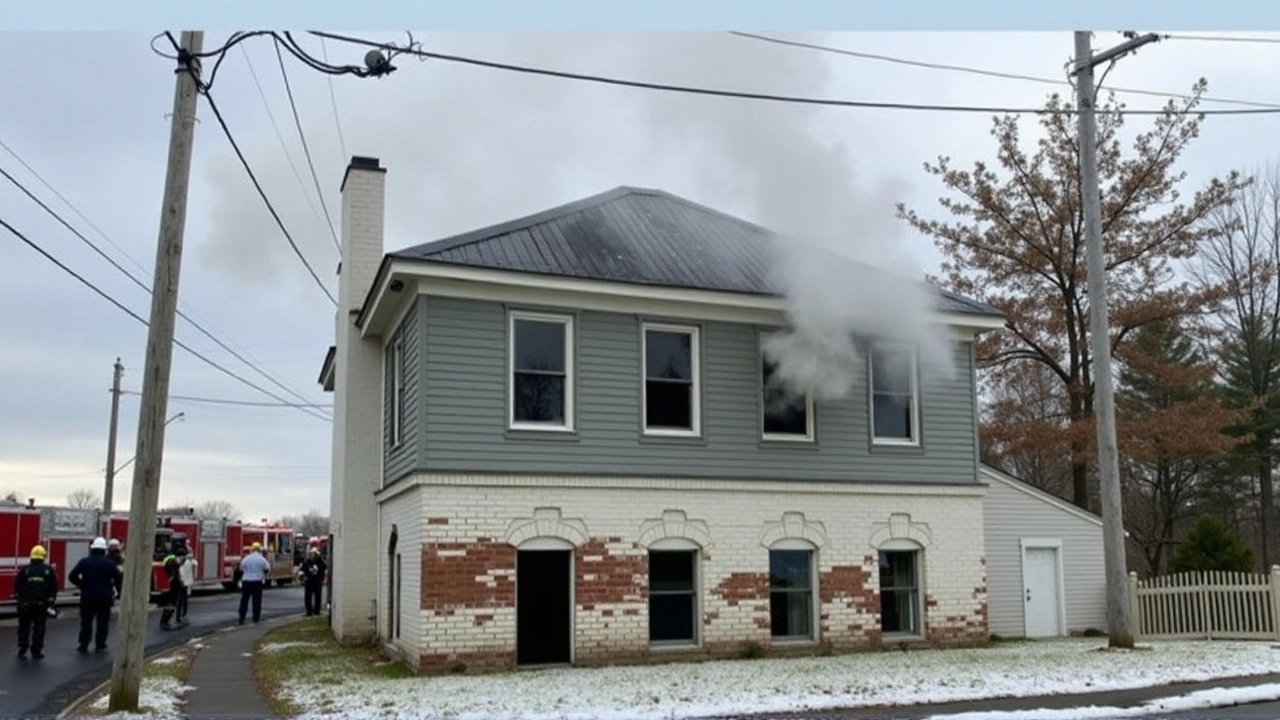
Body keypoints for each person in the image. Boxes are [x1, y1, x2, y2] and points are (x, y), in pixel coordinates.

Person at [68, 536, 123, 653]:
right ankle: (100, 644)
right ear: (104, 550)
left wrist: (82, 585)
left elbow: (72, 576)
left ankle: (83, 644)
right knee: (103, 622)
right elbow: (118, 578)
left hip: (88, 596)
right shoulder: (109, 564)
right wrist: (118, 592)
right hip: (105, 597)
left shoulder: (84, 562)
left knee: (86, 621)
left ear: (92, 549)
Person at [14, 545, 58, 660]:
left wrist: (19, 599)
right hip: (41, 605)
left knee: (24, 627)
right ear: (43, 557)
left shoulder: (25, 570)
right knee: (39, 627)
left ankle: (22, 649)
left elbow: (17, 586)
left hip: (25, 605)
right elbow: (53, 588)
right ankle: (36, 651)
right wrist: (51, 602)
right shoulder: (48, 570)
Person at [237, 541, 271, 625]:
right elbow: (267, 569)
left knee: (244, 600)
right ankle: (256, 618)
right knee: (256, 600)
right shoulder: (262, 559)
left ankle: (242, 617)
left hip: (246, 581)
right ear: (260, 550)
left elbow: (241, 568)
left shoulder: (246, 558)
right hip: (257, 581)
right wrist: (263, 575)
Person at [159, 548, 189, 630]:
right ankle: (164, 622)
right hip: (173, 587)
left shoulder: (172, 560)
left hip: (176, 586)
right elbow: (171, 570)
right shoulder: (171, 561)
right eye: (182, 557)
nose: (182, 559)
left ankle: (166, 621)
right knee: (170, 604)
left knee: (172, 604)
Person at [297, 546, 328, 617]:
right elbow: (302, 571)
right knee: (307, 597)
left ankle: (317, 611)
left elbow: (324, 570)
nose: (312, 556)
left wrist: (323, 579)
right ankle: (309, 611)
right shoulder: (307, 562)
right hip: (308, 582)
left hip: (317, 582)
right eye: (311, 554)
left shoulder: (321, 563)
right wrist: (302, 577)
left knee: (318, 597)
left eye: (314, 554)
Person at [177, 546, 197, 624]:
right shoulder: (186, 561)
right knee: (183, 600)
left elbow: (195, 564)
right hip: (184, 583)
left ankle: (180, 616)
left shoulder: (185, 561)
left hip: (183, 583)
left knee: (181, 600)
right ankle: (181, 616)